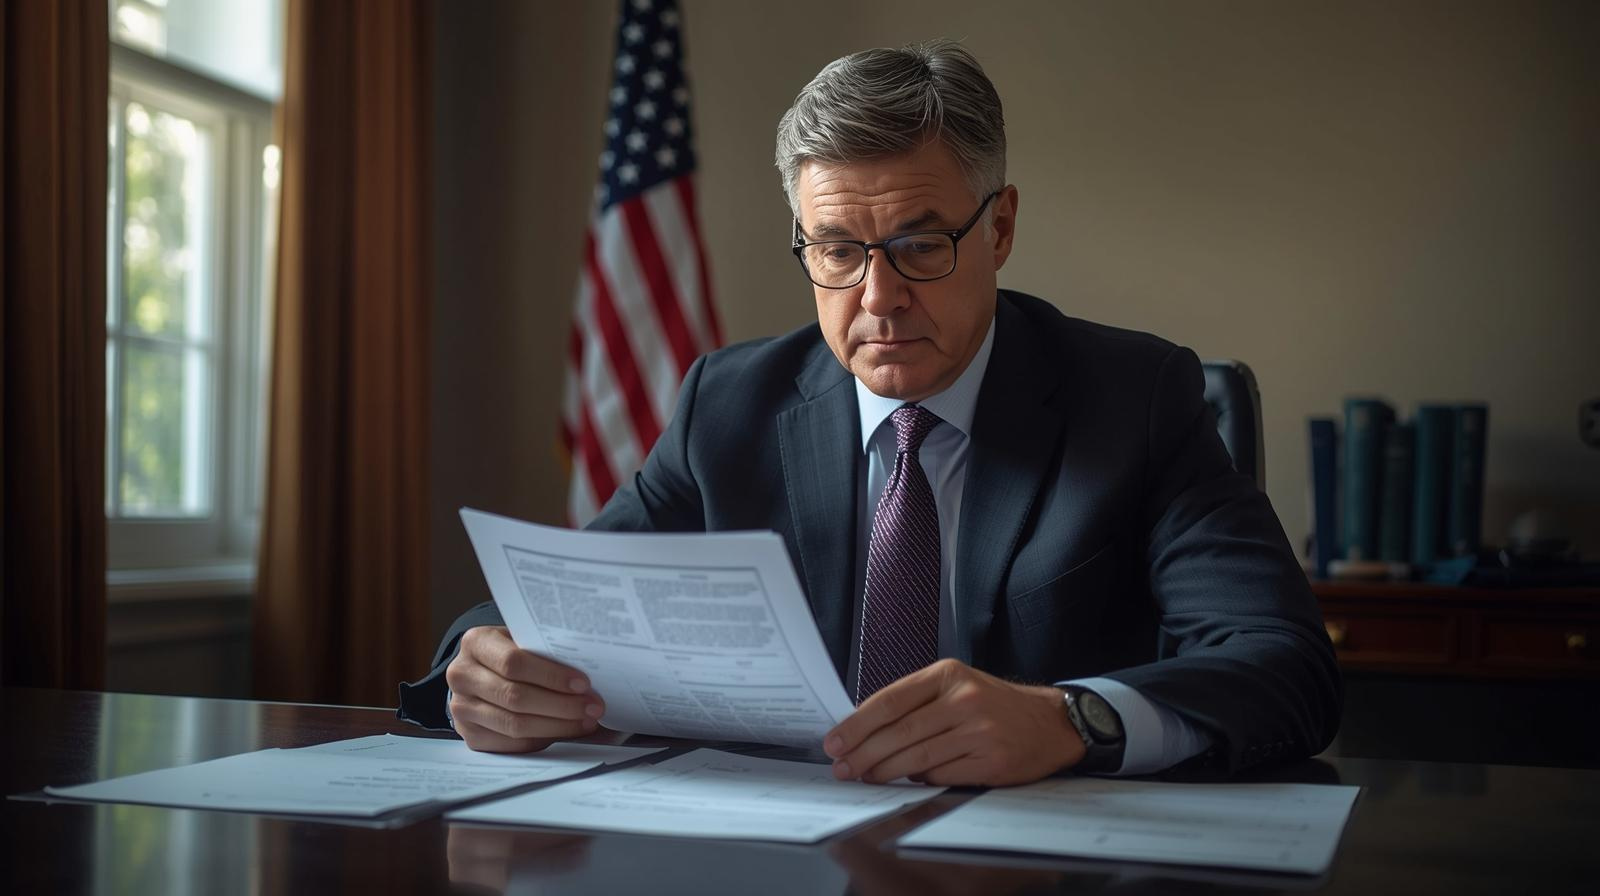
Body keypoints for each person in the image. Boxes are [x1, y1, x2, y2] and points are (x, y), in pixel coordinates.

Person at [399, 39, 1340, 786]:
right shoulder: (727, 405)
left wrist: (1069, 721)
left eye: (920, 244)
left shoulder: (1134, 400)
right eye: (837, 249)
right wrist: (478, 663)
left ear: (1001, 228)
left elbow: (1283, 665)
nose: (877, 296)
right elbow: (568, 611)